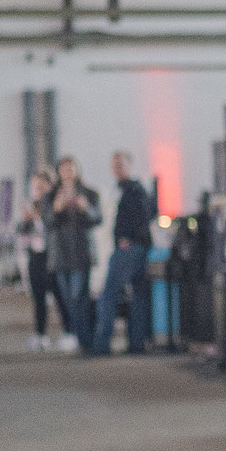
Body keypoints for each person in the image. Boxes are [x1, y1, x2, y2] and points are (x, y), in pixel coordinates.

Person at [91, 151, 156, 355]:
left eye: (121, 164)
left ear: (130, 166)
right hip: (137, 248)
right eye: (114, 164)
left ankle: (102, 344)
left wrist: (129, 239)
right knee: (138, 297)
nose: (117, 168)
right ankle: (137, 343)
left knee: (109, 294)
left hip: (129, 249)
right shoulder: (125, 189)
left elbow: (146, 214)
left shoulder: (133, 190)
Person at [46, 156, 102, 347]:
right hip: (61, 255)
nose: (67, 173)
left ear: (77, 170)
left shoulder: (89, 193)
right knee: (67, 299)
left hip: (81, 253)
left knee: (80, 296)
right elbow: (48, 222)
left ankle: (85, 338)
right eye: (64, 169)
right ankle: (77, 335)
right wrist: (56, 208)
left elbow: (97, 219)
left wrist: (86, 208)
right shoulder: (51, 196)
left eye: (71, 169)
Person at [19, 166, 58, 350]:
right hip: (35, 254)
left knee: (59, 294)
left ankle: (70, 331)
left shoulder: (55, 205)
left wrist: (40, 216)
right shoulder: (31, 205)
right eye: (36, 187)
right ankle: (40, 334)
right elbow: (21, 231)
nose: (38, 190)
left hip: (53, 255)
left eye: (42, 186)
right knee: (38, 296)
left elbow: (53, 227)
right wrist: (27, 221)